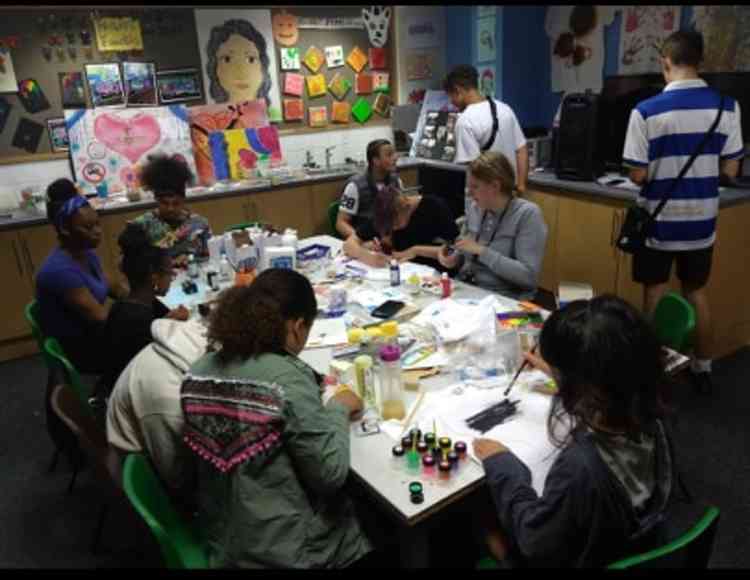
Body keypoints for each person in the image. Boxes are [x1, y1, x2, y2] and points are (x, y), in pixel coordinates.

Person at [181, 269, 372, 568]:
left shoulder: (197, 369)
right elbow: (330, 473)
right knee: (373, 515)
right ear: (297, 327)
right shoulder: (285, 379)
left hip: (224, 538)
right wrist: (338, 408)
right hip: (283, 552)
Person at [473, 295, 678, 567]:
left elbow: (533, 541)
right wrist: (562, 376)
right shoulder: (647, 412)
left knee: (473, 517)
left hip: (581, 555)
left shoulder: (579, 468)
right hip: (631, 532)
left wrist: (503, 464)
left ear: (586, 387)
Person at [622, 30, 744, 394]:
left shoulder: (645, 111)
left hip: (660, 222)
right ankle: (703, 368)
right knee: (696, 292)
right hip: (702, 222)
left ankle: (651, 370)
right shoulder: (727, 107)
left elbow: (638, 173)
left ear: (665, 62)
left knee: (654, 293)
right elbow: (732, 169)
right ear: (699, 61)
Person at [107, 317, 207, 501]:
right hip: (147, 477)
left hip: (156, 444)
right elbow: (178, 479)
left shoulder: (184, 344)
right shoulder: (168, 397)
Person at [36, 178, 126, 374]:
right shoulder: (59, 271)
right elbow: (101, 317)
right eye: (88, 227)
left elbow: (115, 288)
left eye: (97, 224)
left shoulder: (86, 253)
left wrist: (145, 295)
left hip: (95, 336)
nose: (98, 232)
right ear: (64, 230)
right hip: (83, 352)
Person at [437, 151, 547, 301]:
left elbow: (528, 277)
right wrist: (455, 258)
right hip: (465, 289)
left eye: (475, 186)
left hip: (502, 299)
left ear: (495, 186)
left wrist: (482, 251)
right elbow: (466, 253)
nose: (469, 193)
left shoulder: (527, 214)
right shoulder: (475, 207)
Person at [99, 223, 190, 397]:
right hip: (131, 396)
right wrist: (169, 323)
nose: (172, 277)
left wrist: (170, 319)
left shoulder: (130, 303)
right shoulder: (139, 322)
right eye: (170, 272)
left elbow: (167, 317)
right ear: (154, 276)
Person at [444, 64, 529, 192]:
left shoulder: (465, 120)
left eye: (451, 96)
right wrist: (521, 185)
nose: (451, 102)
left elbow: (475, 167)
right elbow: (521, 149)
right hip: (509, 191)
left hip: (484, 197)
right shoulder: (505, 108)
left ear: (458, 90)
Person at [343, 186, 459, 271]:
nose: (393, 229)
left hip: (435, 276)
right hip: (402, 275)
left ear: (407, 207)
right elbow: (348, 244)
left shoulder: (434, 208)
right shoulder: (384, 213)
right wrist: (367, 256)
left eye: (395, 224)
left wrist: (416, 250)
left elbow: (454, 251)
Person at [133, 154, 211, 268]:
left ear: (183, 200)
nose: (170, 208)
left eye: (176, 203)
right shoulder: (142, 227)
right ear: (156, 199)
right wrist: (167, 264)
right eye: (165, 203)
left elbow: (209, 256)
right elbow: (131, 265)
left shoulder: (199, 224)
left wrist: (192, 259)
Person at [336, 139, 404, 239]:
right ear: (375, 161)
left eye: (394, 153)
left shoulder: (396, 181)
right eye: (389, 155)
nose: (395, 158)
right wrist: (359, 240)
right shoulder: (354, 186)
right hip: (366, 239)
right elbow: (341, 223)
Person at [206, 18, 273, 105]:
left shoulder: (273, 113)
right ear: (214, 68)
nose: (241, 72)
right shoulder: (214, 115)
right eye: (227, 59)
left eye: (251, 59)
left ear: (263, 65)